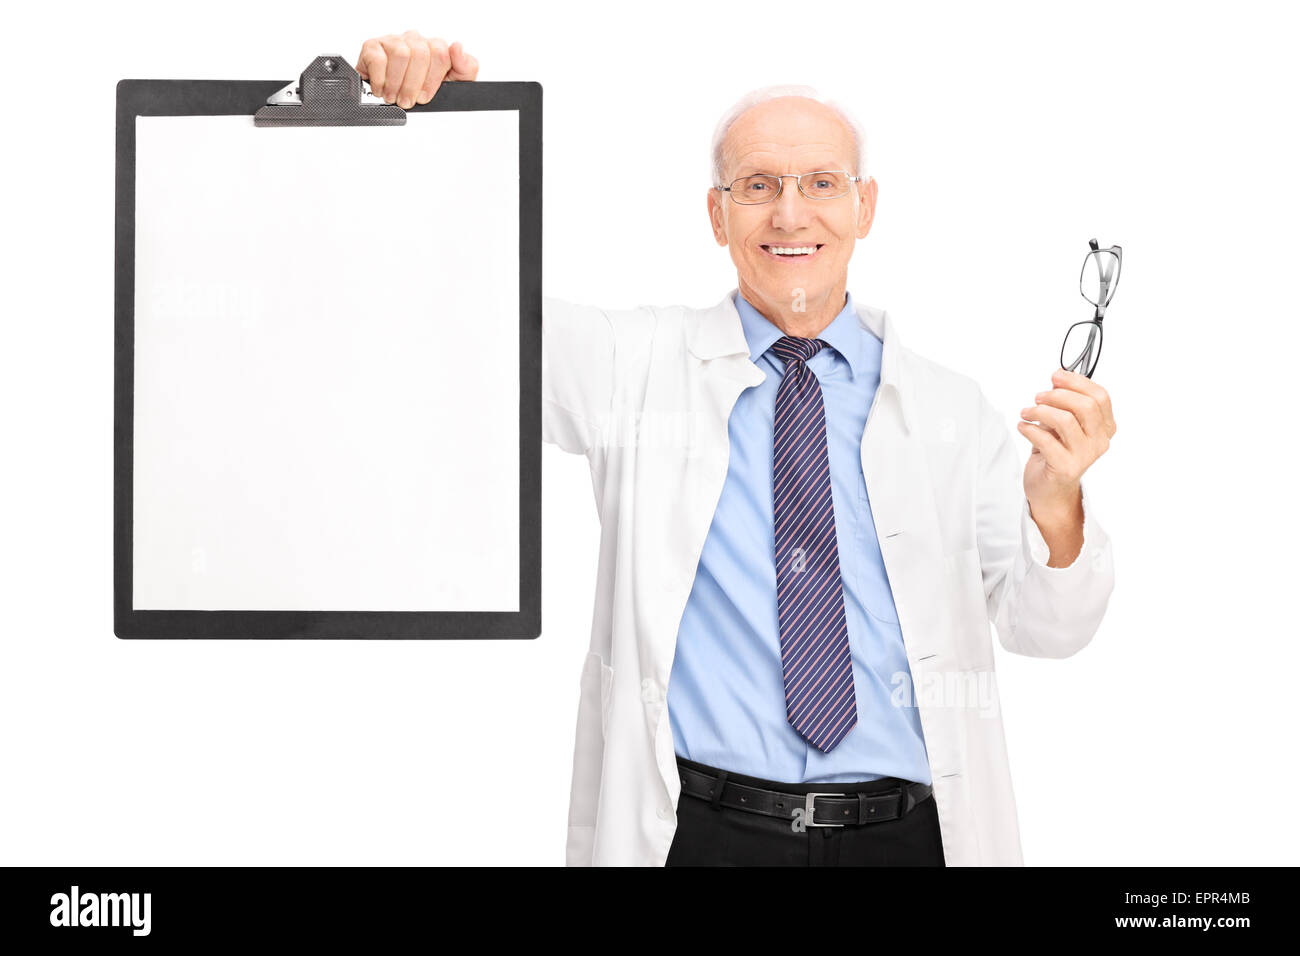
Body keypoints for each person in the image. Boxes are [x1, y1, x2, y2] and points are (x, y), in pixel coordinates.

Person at [355, 30, 1118, 867]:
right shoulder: (631, 367)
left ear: (865, 206)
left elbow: (1047, 631)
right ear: (717, 214)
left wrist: (1059, 510)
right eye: (758, 186)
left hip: (906, 840)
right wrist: (416, 123)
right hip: (706, 835)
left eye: (821, 183)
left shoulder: (950, 410)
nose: (791, 214)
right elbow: (466, 302)